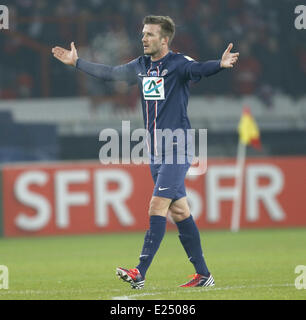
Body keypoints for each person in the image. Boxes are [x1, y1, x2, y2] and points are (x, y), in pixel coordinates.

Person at [52, 15, 239, 289]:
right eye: (143, 34)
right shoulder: (140, 67)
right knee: (180, 212)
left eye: (150, 34)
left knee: (157, 205)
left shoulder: (177, 64)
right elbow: (111, 74)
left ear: (164, 39)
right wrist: (77, 62)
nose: (143, 38)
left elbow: (199, 69)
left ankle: (139, 271)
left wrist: (220, 65)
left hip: (177, 147)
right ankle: (204, 275)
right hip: (155, 151)